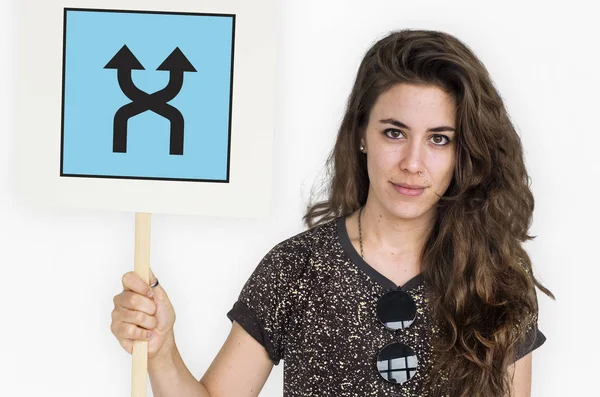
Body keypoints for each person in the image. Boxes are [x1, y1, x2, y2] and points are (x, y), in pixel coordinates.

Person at [110, 29, 554, 397]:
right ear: (362, 134)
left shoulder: (495, 276)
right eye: (394, 133)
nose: (413, 163)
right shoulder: (296, 268)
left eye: (439, 139)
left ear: (465, 151)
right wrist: (161, 350)